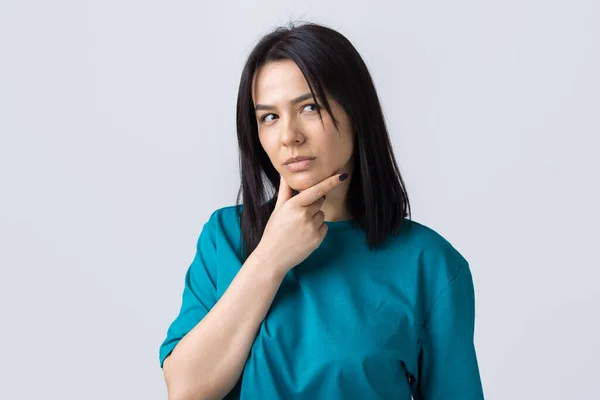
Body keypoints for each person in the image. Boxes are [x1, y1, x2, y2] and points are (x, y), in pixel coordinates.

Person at [158, 21, 484, 400]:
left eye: (309, 107)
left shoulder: (429, 265)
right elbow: (186, 390)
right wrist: (270, 259)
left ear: (356, 113)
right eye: (269, 117)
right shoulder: (224, 239)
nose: (289, 136)